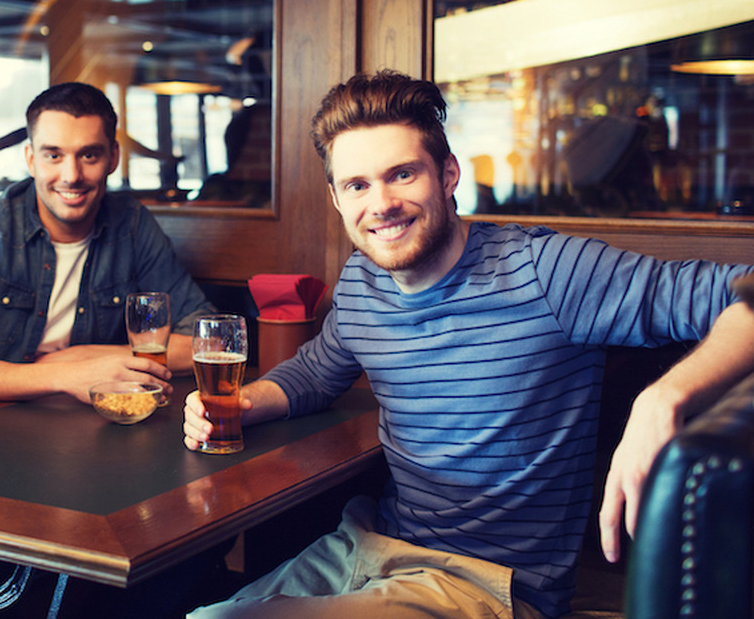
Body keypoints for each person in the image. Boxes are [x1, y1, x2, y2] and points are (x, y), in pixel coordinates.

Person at [182, 70, 754, 619]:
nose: (380, 203)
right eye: (357, 184)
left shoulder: (546, 270)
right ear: (336, 199)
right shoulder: (362, 282)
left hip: (488, 586)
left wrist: (665, 397)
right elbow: (313, 374)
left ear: (449, 174)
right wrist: (241, 402)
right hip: (366, 547)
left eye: (402, 174)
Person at [0, 81, 214, 403]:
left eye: (89, 155)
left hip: (95, 419)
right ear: (31, 159)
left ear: (113, 158)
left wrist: (86, 357)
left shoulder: (131, 226)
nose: (71, 175)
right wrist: (65, 375)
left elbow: (204, 343)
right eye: (53, 155)